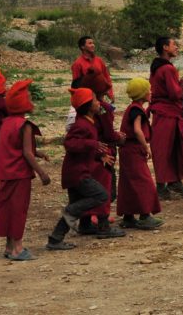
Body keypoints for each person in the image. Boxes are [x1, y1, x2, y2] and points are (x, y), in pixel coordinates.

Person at [47, 88, 116, 250]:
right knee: (101, 195)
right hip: (77, 173)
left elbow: (86, 148)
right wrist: (93, 144)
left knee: (76, 204)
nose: (99, 102)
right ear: (88, 105)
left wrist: (100, 156)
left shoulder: (89, 122)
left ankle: (55, 239)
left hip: (78, 171)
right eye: (95, 100)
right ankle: (70, 212)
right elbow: (69, 144)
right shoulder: (82, 125)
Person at [0, 79, 49, 260]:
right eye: (29, 98)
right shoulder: (24, 125)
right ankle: (18, 248)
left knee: (7, 208)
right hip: (19, 173)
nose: (31, 101)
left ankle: (9, 247)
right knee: (18, 209)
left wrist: (39, 153)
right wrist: (41, 172)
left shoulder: (6, 123)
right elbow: (26, 153)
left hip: (5, 173)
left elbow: (15, 147)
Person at [149, 37, 183, 201]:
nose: (177, 47)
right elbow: (175, 94)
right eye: (174, 44)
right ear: (165, 47)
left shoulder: (158, 67)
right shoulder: (167, 69)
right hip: (167, 113)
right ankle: (161, 187)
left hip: (164, 112)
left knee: (174, 147)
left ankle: (174, 181)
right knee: (166, 149)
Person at [117, 78, 163, 230]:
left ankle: (128, 216)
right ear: (142, 93)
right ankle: (144, 216)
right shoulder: (137, 110)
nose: (150, 92)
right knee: (143, 181)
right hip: (133, 149)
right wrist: (146, 147)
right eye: (148, 90)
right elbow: (137, 130)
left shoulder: (132, 108)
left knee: (128, 182)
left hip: (127, 151)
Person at [79, 82, 123, 236]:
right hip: (102, 155)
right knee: (104, 188)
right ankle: (103, 226)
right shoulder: (103, 109)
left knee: (91, 189)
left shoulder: (82, 116)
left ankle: (84, 223)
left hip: (91, 157)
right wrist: (118, 137)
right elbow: (109, 134)